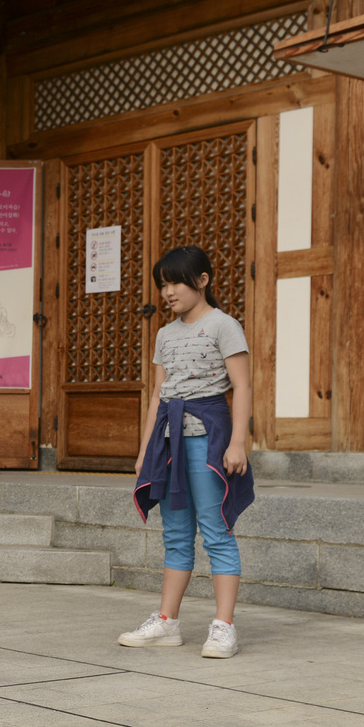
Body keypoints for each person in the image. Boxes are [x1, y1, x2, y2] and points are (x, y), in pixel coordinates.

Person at [122, 245, 254, 658]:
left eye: (176, 283)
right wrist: (145, 450)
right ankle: (167, 622)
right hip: (169, 442)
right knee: (176, 533)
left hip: (208, 441)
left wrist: (237, 442)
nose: (168, 292)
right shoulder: (164, 334)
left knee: (216, 531)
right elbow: (157, 394)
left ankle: (224, 627)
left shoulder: (224, 325)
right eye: (162, 285)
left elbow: (243, 386)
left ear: (202, 280)